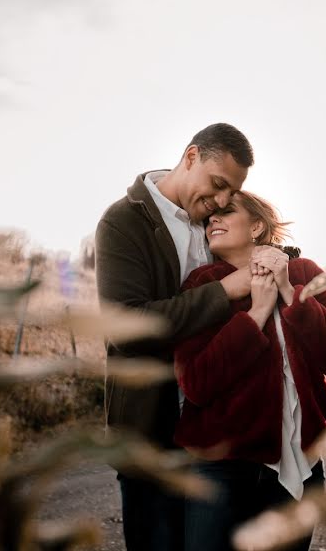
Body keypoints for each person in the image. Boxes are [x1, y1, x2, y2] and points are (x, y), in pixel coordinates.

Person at [95, 123, 275, 551]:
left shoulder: (214, 223)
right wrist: (225, 290)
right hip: (151, 437)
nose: (220, 201)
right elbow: (128, 328)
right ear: (191, 157)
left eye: (230, 194)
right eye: (216, 185)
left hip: (214, 440)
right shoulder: (123, 222)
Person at [172, 191, 326, 551]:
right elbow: (196, 382)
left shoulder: (306, 273)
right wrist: (255, 315)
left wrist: (289, 291)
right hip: (220, 467)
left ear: (257, 226)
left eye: (225, 212)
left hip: (302, 461)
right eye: (209, 217)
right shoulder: (202, 284)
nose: (213, 220)